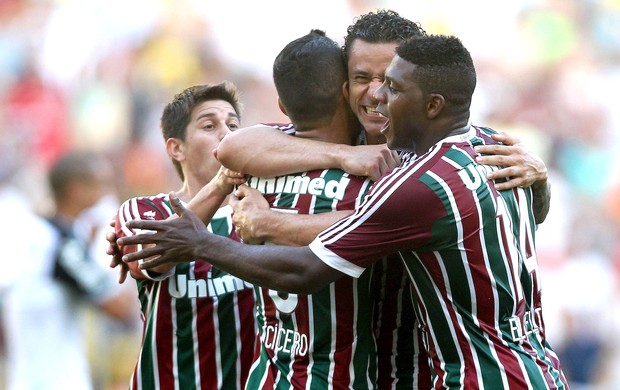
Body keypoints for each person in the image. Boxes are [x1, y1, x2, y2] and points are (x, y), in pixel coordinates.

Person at [118, 34, 570, 389]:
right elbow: (234, 149)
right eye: (364, 78)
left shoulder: (426, 171)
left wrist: (271, 223)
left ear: (431, 97)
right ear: (341, 89)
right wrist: (342, 155)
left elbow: (379, 227)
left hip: (440, 374)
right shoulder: (297, 155)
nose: (377, 95)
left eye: (391, 83)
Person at [114, 82, 257, 390]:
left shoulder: (262, 211)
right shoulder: (142, 210)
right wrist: (221, 184)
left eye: (234, 125)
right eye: (210, 125)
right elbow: (153, 257)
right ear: (176, 147)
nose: (227, 133)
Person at [2, 150, 135, 390]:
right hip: (57, 380)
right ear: (77, 190)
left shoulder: (36, 231)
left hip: (26, 378)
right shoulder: (62, 245)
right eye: (102, 184)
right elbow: (120, 309)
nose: (108, 193)